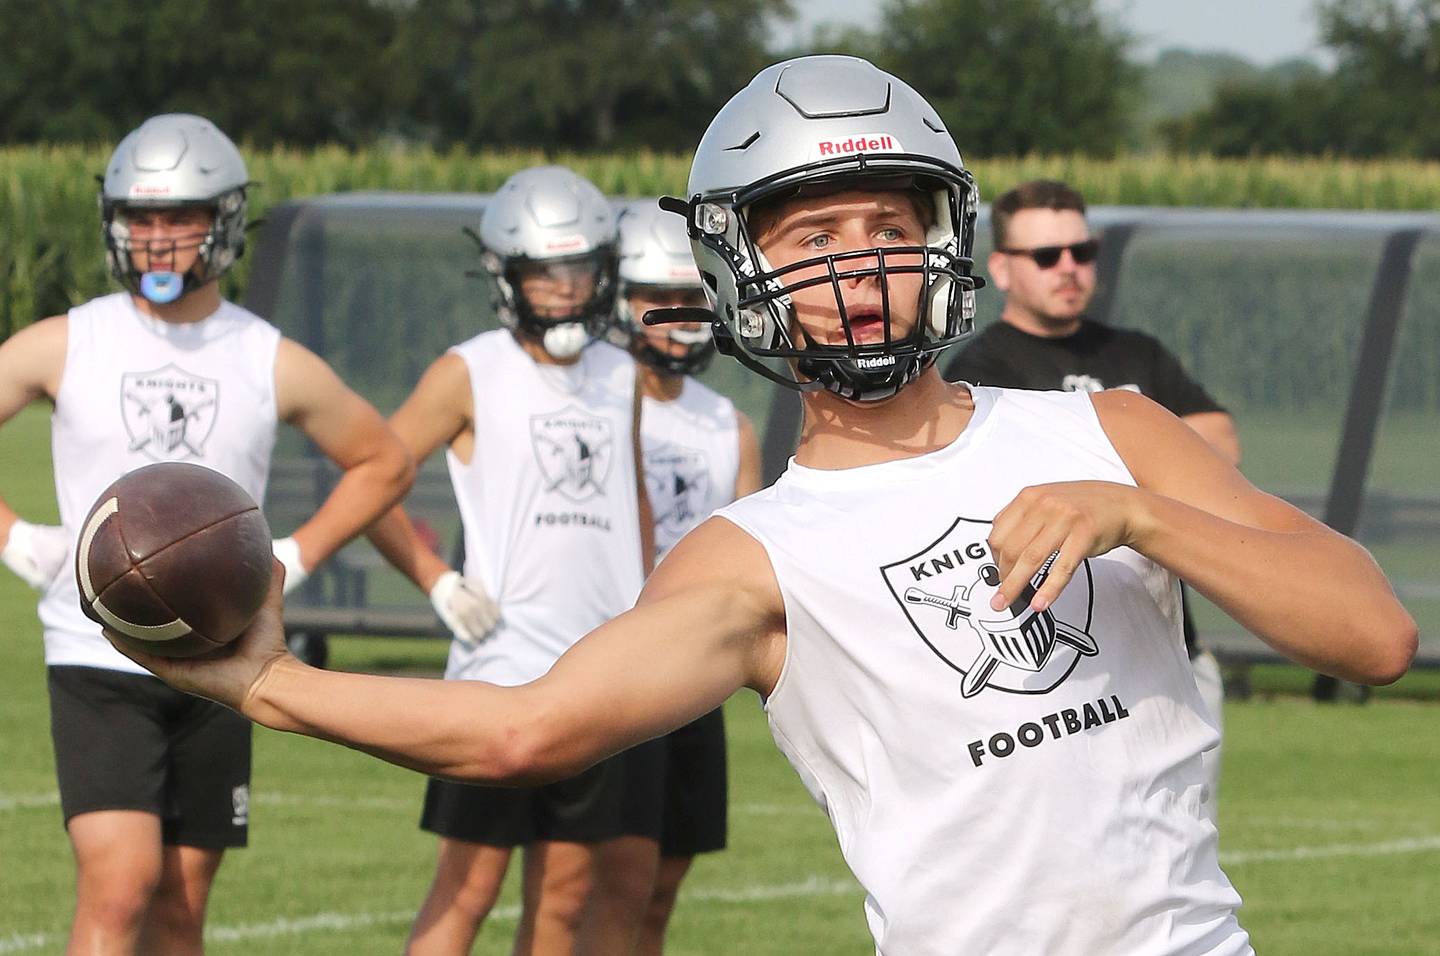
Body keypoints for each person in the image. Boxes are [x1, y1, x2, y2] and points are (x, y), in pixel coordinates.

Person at [109, 59, 1415, 956]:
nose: (857, 265)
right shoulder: (753, 558)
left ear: (944, 241)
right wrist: (264, 684)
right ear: (745, 274)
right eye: (810, 238)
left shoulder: (1109, 428)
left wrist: (1140, 517)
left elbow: (1371, 634)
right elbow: (523, 732)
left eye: (884, 221)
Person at [0, 113, 413, 956]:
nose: (156, 239)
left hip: (223, 654)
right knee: (119, 885)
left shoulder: (266, 356)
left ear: (222, 221)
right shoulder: (69, 339)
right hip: (96, 650)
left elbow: (383, 459)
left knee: (184, 903)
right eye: (138, 218)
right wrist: (15, 540)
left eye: (178, 217)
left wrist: (293, 556)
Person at [363, 166, 661, 956]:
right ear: (506, 276)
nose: (565, 290)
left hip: (599, 677)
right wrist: (437, 580)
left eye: (580, 270)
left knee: (565, 899)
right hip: (498, 676)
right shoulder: (470, 370)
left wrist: (650, 606)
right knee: (464, 893)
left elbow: (631, 500)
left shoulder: (624, 372)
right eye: (544, 273)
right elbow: (370, 481)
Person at [945, 178, 1239, 824]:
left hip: (1175, 652)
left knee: (1185, 840)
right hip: (1059, 664)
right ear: (1001, 268)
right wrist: (1151, 473)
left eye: (1082, 250)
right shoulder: (980, 374)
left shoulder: (1134, 352)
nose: (1070, 268)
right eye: (1047, 256)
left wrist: (1107, 493)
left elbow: (1218, 447)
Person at [610, 200, 763, 953]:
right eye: (654, 300)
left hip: (694, 662)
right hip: (620, 657)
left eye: (692, 300)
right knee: (616, 875)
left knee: (666, 875)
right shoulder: (600, 400)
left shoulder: (726, 422)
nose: (675, 317)